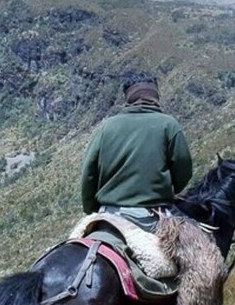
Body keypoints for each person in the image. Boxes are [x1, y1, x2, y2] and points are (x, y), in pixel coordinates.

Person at [81, 75, 192, 226]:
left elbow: (89, 173)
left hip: (109, 213)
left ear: (128, 98)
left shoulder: (107, 126)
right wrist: (168, 191)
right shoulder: (169, 125)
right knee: (200, 244)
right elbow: (184, 171)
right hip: (153, 215)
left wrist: (91, 208)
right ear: (155, 96)